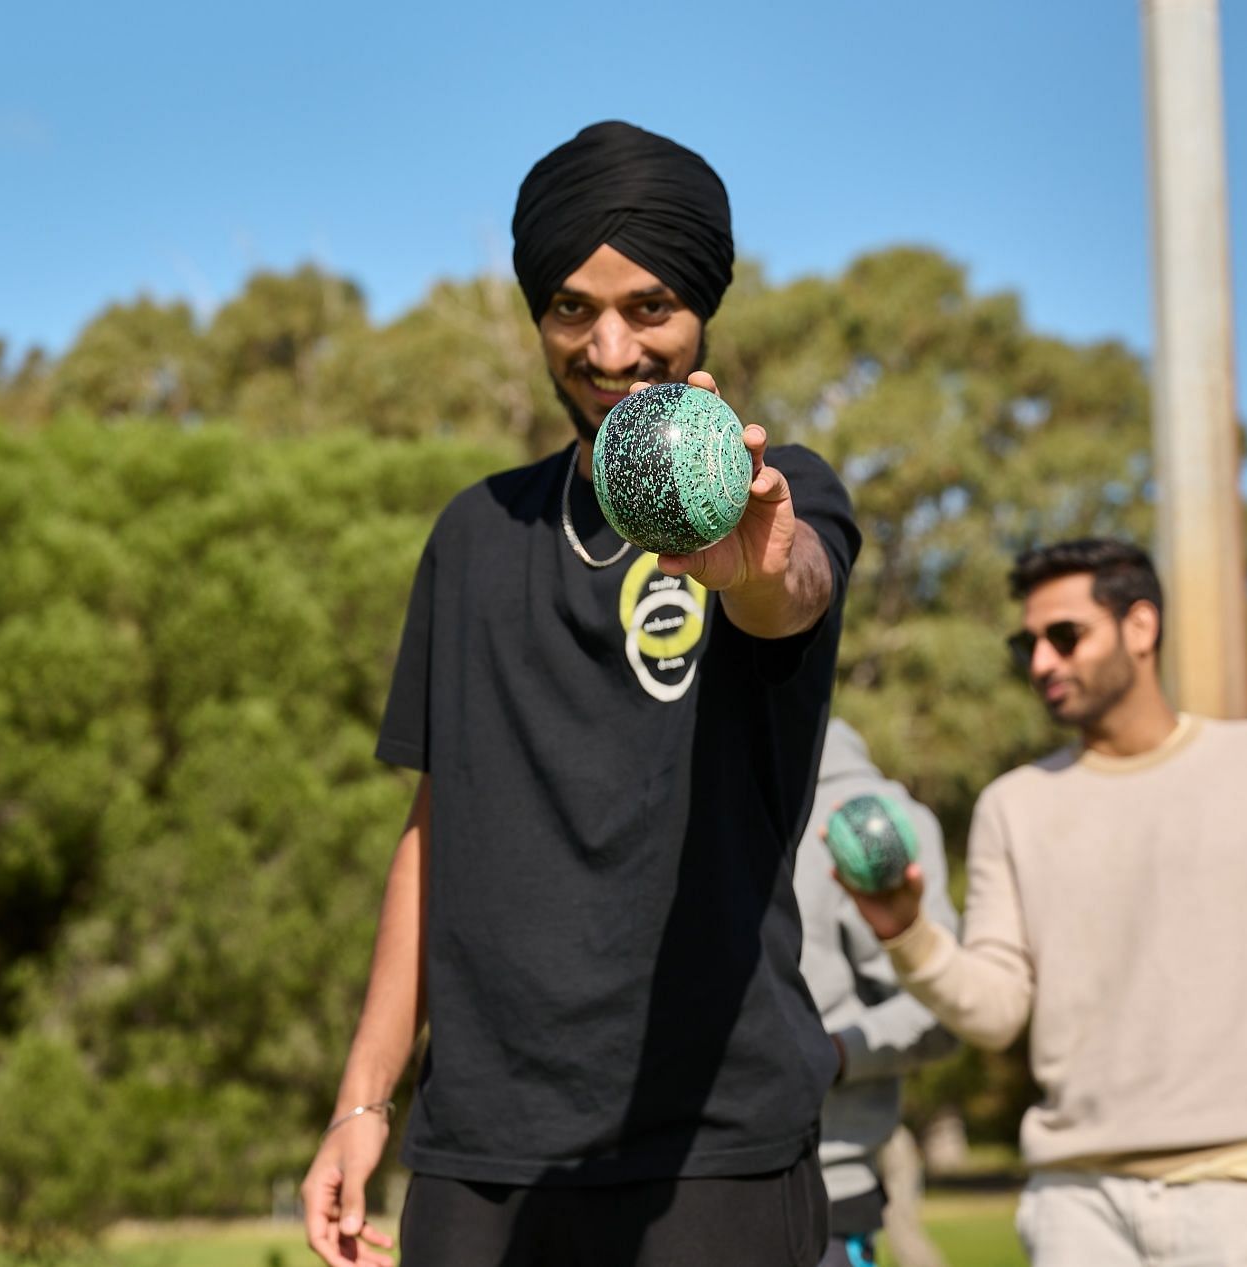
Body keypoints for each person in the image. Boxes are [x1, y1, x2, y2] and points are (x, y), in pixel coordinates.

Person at [300, 120, 861, 1267]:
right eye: (570, 309)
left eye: (649, 307)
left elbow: (788, 591)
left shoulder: (780, 499)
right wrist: (365, 1099)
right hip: (484, 1156)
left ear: (702, 310)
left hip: (715, 1144)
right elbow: (435, 828)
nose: (610, 348)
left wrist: (754, 567)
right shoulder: (473, 533)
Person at [842, 538, 1247, 1267]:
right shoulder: (1015, 805)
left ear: (1141, 626)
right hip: (1076, 1207)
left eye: (1065, 636)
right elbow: (999, 1011)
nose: (1041, 663)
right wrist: (907, 933)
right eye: (1026, 642)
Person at [796, 718, 960, 1267]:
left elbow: (943, 1009)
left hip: (826, 1194)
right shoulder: (679, 791)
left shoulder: (866, 812)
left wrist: (836, 1055)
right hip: (673, 1185)